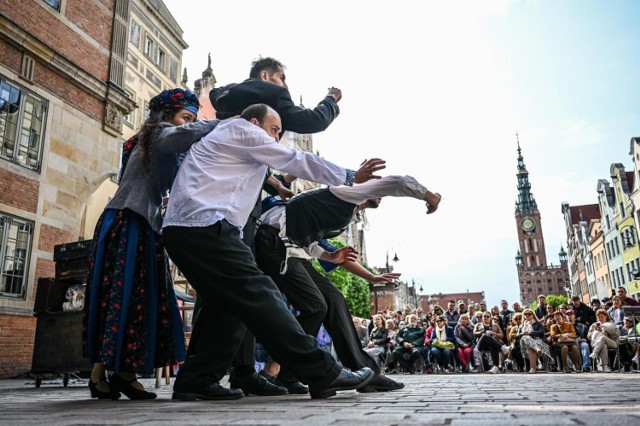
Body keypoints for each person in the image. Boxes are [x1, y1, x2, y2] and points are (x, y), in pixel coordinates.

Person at [162, 104, 384, 400]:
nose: (276, 138)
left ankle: (197, 379)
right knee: (260, 292)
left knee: (226, 305)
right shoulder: (243, 130)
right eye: (274, 130)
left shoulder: (235, 141)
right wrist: (349, 176)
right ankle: (322, 372)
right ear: (255, 122)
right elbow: (295, 158)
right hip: (204, 224)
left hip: (188, 228)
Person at [82, 89, 220, 400]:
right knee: (127, 294)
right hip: (129, 219)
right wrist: (222, 123)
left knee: (136, 298)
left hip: (140, 221)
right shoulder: (159, 133)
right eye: (186, 117)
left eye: (192, 119)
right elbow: (188, 136)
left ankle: (114, 374)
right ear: (166, 115)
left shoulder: (158, 140)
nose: (189, 124)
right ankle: (115, 375)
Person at [254, 174, 441, 391]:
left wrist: (332, 257)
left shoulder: (348, 211)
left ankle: (365, 374)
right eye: (376, 190)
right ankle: (291, 367)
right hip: (273, 243)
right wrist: (430, 197)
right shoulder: (345, 194)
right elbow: (399, 182)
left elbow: (308, 239)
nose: (381, 196)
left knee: (335, 299)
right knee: (315, 307)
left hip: (294, 249)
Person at [210, 56, 341, 135]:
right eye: (281, 78)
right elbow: (316, 121)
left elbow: (213, 93)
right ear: (265, 75)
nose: (285, 85)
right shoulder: (276, 95)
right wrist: (331, 99)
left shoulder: (225, 92)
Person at [518, 309, 553, 374]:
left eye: (529, 314)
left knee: (530, 348)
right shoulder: (521, 326)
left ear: (533, 315)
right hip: (524, 345)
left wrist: (530, 332)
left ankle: (533, 368)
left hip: (538, 342)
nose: (527, 315)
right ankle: (537, 350)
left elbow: (542, 332)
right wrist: (523, 333)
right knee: (525, 337)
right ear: (523, 316)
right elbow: (517, 336)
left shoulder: (538, 324)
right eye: (525, 314)